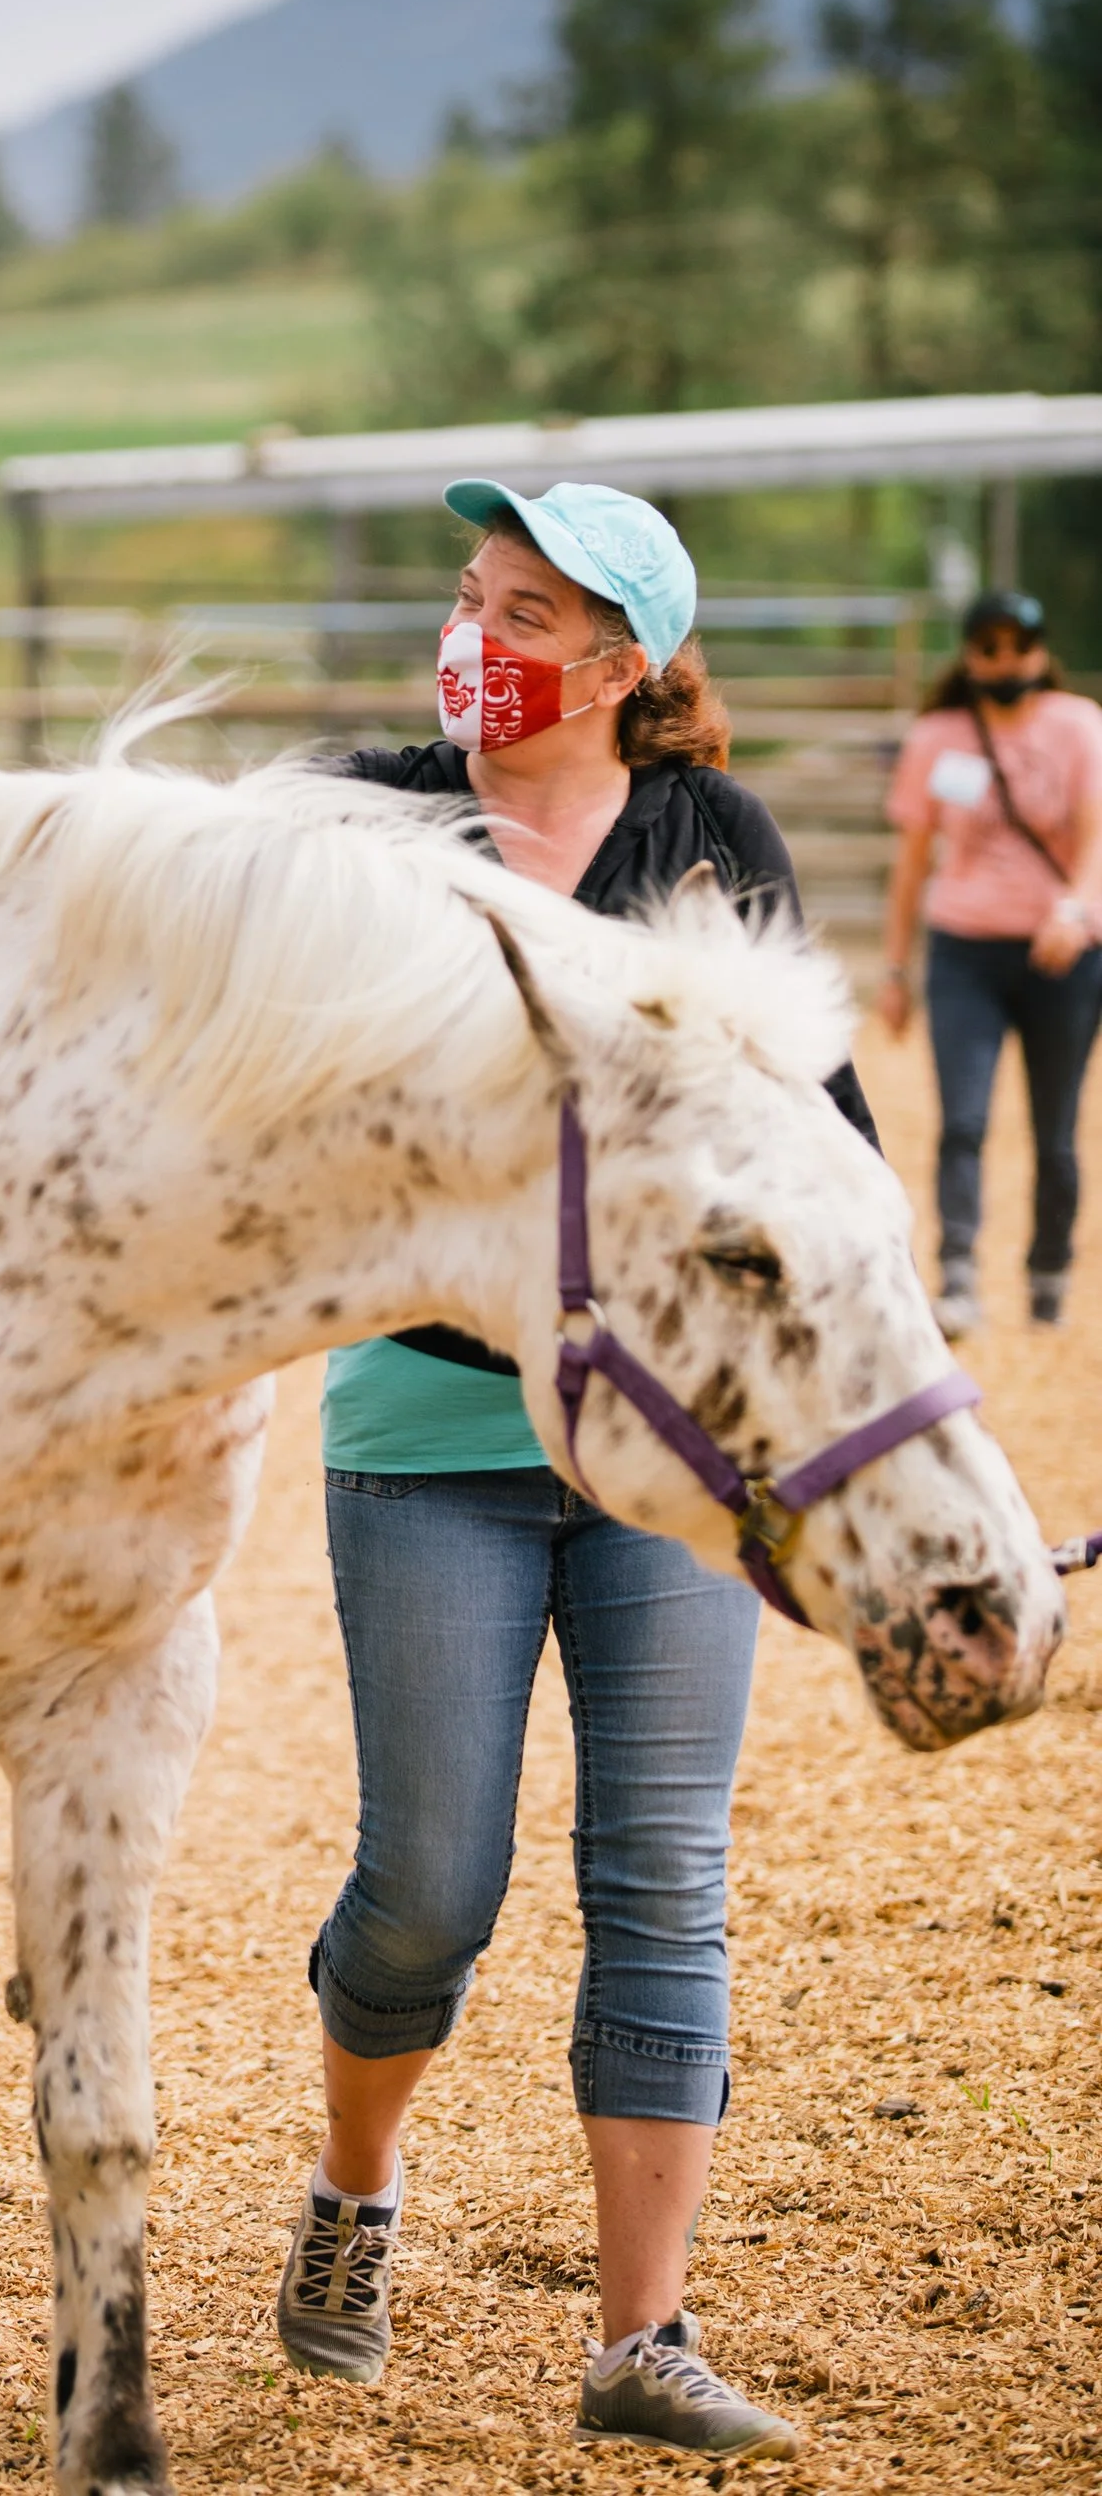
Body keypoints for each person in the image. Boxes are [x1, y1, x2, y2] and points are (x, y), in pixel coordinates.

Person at [273, 480, 874, 2468]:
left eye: (522, 608)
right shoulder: (374, 826)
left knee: (660, 1879)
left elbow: (819, 1143)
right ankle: (353, 2196)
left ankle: (642, 2339)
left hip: (677, 1459)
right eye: (466, 593)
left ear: (623, 669)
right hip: (432, 1435)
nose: (474, 633)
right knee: (426, 1889)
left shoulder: (712, 848)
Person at [877, 585, 1102, 1340]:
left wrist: (1075, 909)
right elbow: (912, 862)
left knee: (1056, 1130)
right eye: (990, 647)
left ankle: (1048, 1273)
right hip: (963, 950)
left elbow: (1097, 839)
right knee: (963, 1121)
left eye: (1020, 645)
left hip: (1060, 953)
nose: (1007, 660)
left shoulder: (1078, 727)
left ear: (1042, 651)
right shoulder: (938, 736)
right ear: (969, 656)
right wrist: (896, 968)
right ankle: (961, 1275)